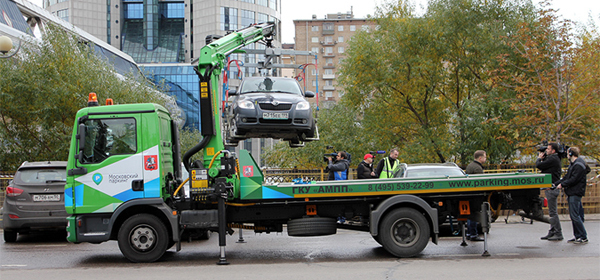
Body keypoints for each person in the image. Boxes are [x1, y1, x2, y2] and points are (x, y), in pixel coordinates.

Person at [556, 147, 590, 244]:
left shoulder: (577, 165)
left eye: (567, 153)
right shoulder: (574, 164)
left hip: (575, 192)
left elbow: (573, 179)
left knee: (575, 215)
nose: (566, 155)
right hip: (573, 191)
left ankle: (583, 236)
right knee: (575, 215)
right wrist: (556, 183)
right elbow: (567, 177)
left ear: (571, 154)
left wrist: (562, 184)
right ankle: (578, 235)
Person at [536, 142, 564, 241]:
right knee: (552, 212)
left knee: (553, 212)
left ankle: (558, 232)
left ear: (553, 151)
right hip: (551, 188)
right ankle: (552, 231)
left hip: (552, 188)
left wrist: (539, 158)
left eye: (548, 149)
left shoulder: (553, 159)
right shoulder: (553, 159)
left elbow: (539, 165)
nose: (546, 151)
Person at [465, 150, 487, 241]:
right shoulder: (477, 168)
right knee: (474, 214)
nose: (486, 159)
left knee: (470, 215)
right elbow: (480, 182)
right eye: (485, 157)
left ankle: (469, 233)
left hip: (469, 193)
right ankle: (473, 234)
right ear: (480, 158)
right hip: (475, 195)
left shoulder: (470, 166)